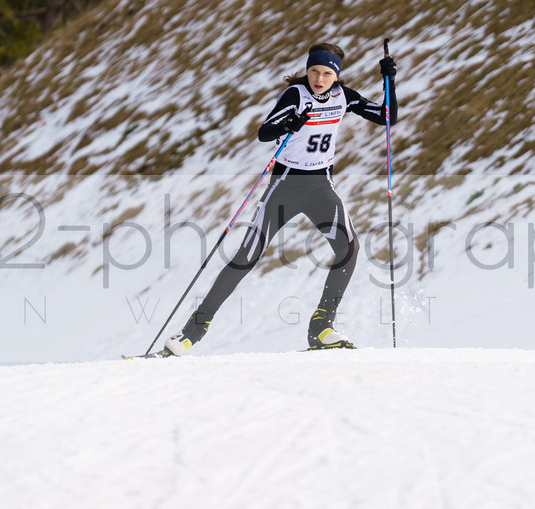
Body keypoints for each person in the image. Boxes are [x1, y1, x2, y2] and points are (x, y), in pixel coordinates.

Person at [162, 42, 398, 355]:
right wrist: (289, 123)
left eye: (327, 73)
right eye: (314, 70)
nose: (319, 78)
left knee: (348, 248)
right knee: (246, 257)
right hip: (284, 187)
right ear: (307, 69)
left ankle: (321, 328)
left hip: (320, 187)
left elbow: (386, 117)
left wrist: (389, 81)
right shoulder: (296, 96)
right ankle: (192, 331)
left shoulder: (344, 97)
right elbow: (265, 131)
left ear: (336, 76)